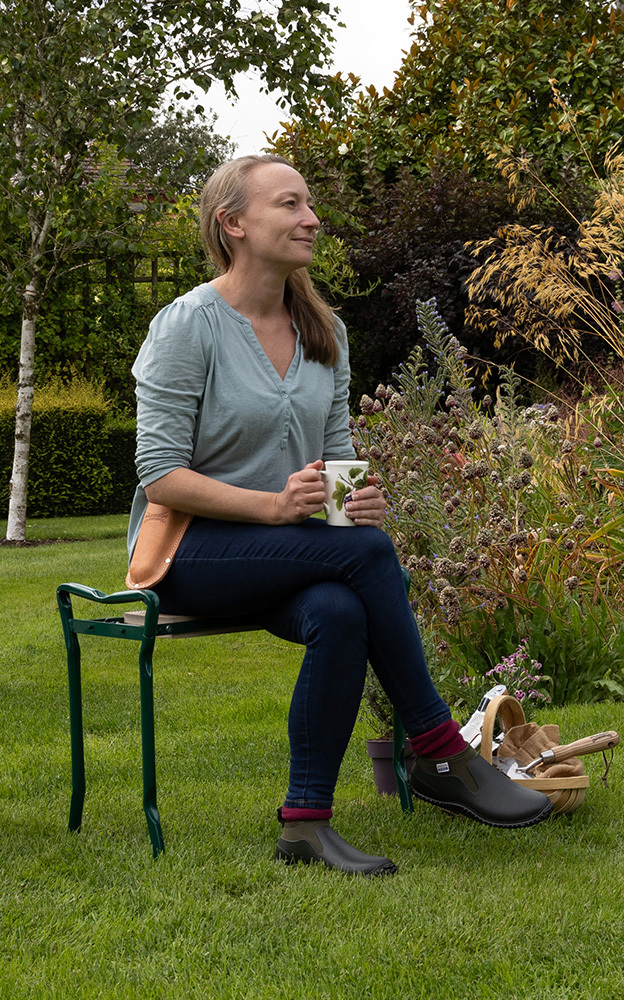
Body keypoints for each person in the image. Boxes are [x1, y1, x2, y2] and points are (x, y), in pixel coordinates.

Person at [127, 154, 553, 876]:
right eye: (289, 204)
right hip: (186, 554)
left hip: (292, 550)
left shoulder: (324, 331)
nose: (312, 218)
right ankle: (440, 751)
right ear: (233, 224)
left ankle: (305, 826)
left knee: (340, 608)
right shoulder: (187, 327)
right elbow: (160, 476)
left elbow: (333, 461)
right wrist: (273, 506)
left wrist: (354, 501)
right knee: (367, 556)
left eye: (310, 205)